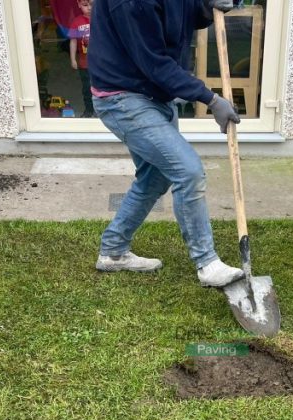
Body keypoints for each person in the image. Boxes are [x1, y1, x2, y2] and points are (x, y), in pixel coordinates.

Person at [88, 0, 245, 288]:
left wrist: (208, 6)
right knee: (187, 171)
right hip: (122, 98)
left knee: (154, 178)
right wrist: (209, 98)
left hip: (155, 96)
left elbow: (182, 15)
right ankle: (207, 263)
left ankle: (113, 251)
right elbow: (153, 62)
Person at [68, 0, 94, 117]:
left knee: (103, 87)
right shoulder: (77, 22)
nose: (89, 8)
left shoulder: (101, 19)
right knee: (87, 88)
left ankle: (102, 112)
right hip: (85, 63)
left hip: (101, 63)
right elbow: (73, 41)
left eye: (92, 4)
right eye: (85, 5)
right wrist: (73, 59)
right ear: (79, 4)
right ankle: (89, 110)